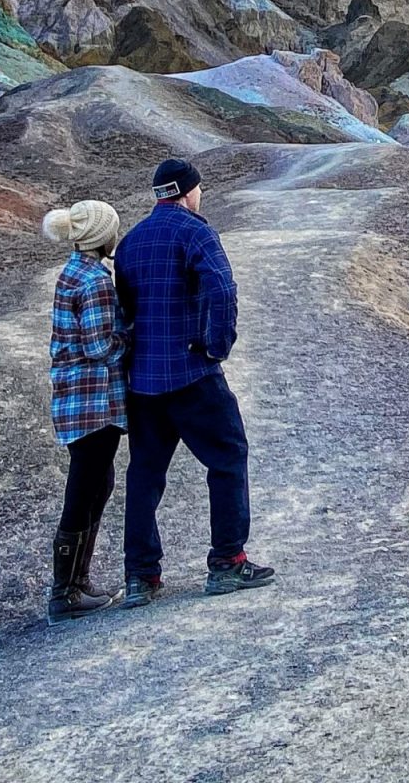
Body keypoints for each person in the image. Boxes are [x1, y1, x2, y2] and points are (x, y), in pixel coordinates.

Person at [114, 157, 275, 606]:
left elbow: (124, 310)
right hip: (191, 372)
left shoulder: (130, 242)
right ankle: (228, 561)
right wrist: (215, 345)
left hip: (144, 381)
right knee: (228, 456)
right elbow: (221, 289)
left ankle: (140, 577)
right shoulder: (196, 231)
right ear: (188, 191)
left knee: (145, 474)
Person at [43, 199, 127, 622]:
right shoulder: (94, 281)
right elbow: (99, 346)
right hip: (92, 398)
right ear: (103, 236)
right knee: (86, 488)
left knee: (97, 483)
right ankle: (66, 592)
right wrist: (131, 339)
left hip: (76, 397)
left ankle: (76, 584)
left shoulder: (74, 271)